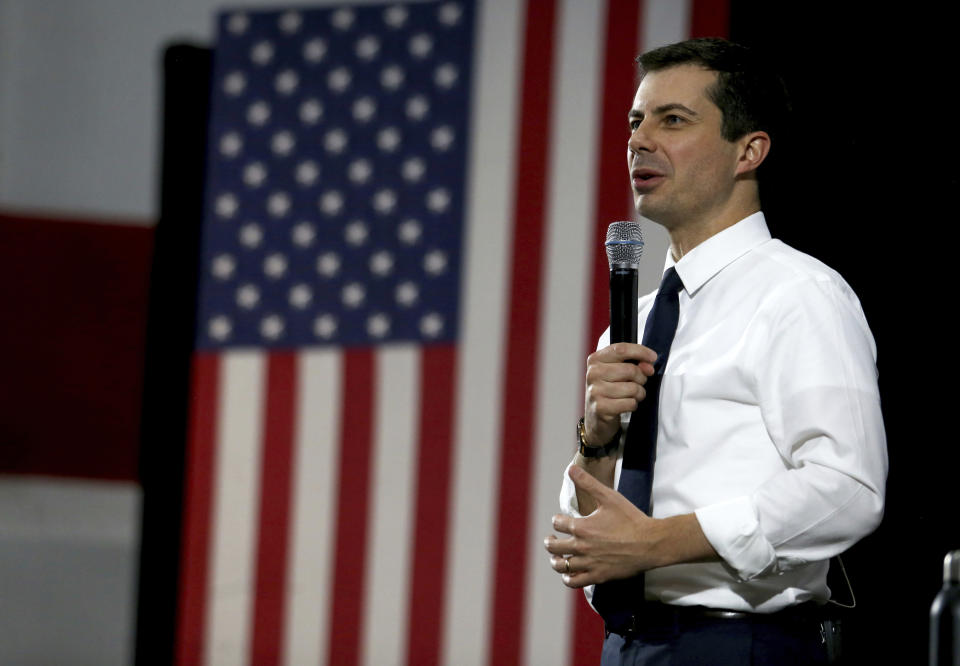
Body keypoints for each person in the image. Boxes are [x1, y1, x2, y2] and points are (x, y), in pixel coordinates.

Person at [543, 38, 887, 665]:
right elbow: (590, 535)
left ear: (749, 151)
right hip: (628, 645)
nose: (640, 140)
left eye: (673, 120)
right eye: (635, 121)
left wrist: (658, 544)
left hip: (738, 643)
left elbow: (847, 488)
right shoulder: (638, 321)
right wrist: (597, 438)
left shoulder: (797, 294)